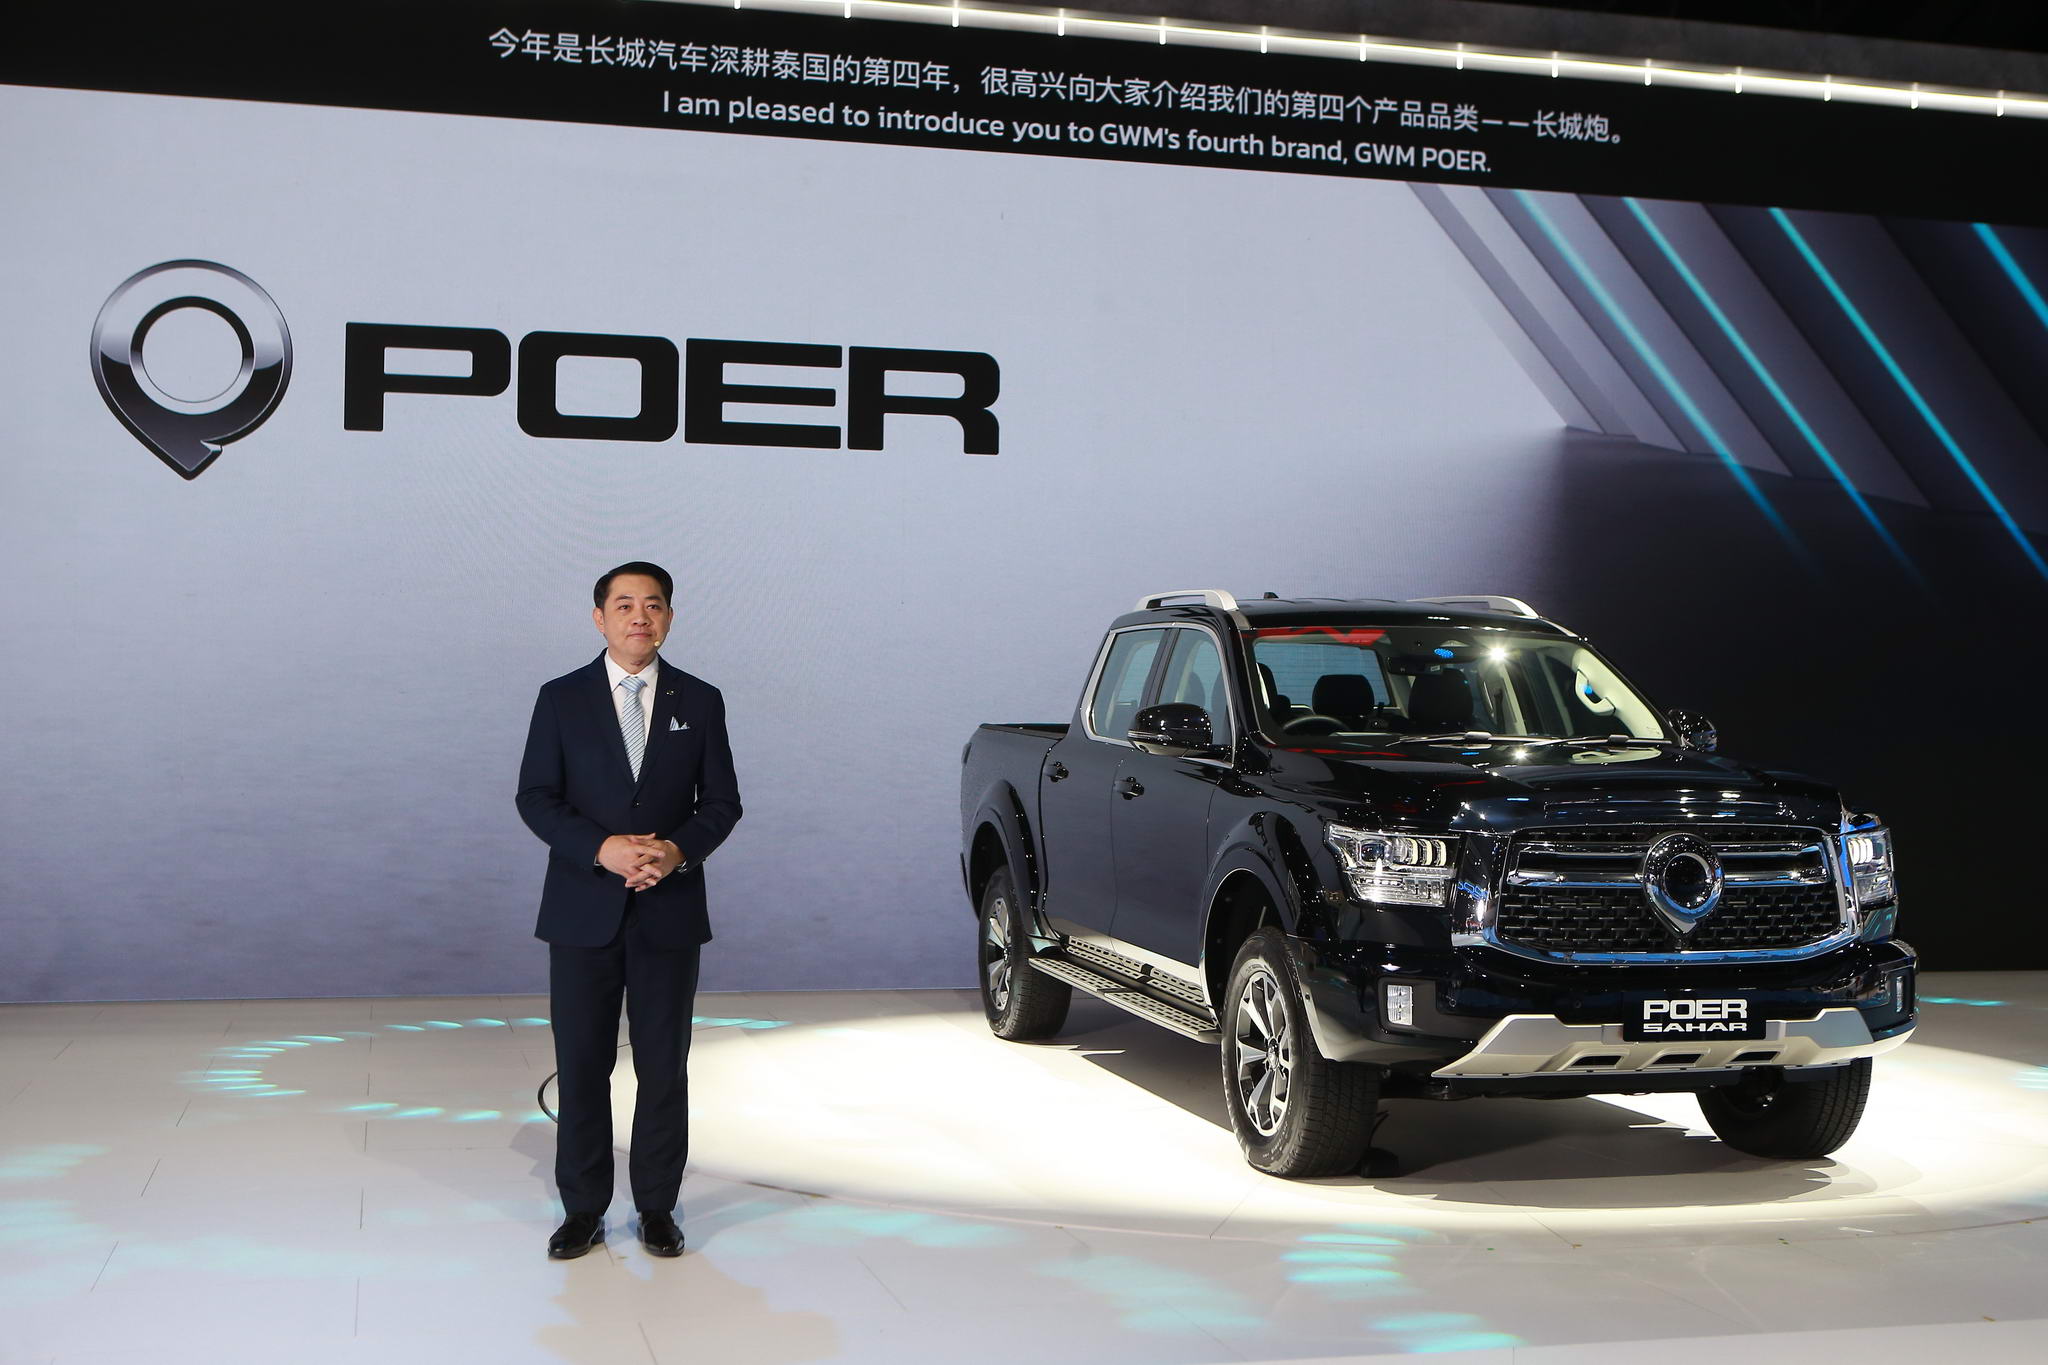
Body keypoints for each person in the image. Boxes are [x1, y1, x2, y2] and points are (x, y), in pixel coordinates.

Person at [515, 561, 742, 1259]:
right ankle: (582, 1209)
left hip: (668, 911)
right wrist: (602, 849)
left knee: (663, 1066)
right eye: (624, 605)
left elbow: (722, 803)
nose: (639, 616)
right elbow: (536, 796)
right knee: (582, 1065)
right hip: (582, 911)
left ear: (669, 616)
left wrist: (675, 852)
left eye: (653, 604)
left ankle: (656, 1207)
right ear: (599, 617)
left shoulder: (700, 700)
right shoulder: (561, 697)